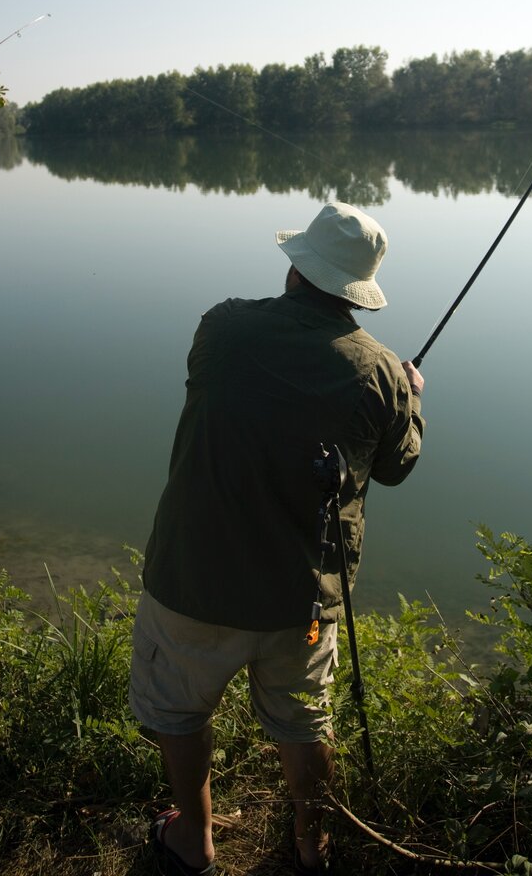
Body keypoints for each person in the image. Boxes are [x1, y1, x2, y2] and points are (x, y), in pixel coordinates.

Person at [129, 201, 425, 876]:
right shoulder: (381, 371)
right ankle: (311, 842)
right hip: (304, 605)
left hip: (191, 585)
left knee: (178, 712)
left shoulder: (222, 328)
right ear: (360, 289)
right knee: (304, 722)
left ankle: (192, 838)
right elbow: (397, 467)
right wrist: (410, 396)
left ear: (297, 267)